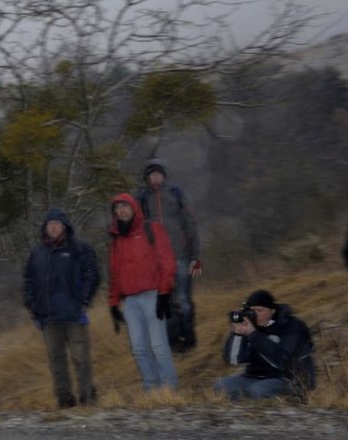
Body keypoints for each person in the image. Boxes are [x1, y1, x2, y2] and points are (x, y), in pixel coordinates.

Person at [23, 207, 101, 408]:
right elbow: (28, 281)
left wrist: (84, 299)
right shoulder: (37, 253)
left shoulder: (78, 248)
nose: (54, 227)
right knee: (56, 361)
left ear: (65, 226)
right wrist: (31, 304)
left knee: (80, 357)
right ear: (45, 228)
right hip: (48, 316)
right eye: (50, 224)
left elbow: (92, 274)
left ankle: (87, 397)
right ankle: (64, 399)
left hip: (74, 314)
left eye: (58, 223)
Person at [107, 192, 178, 391]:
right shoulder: (117, 238)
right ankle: (151, 390)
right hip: (130, 302)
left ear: (133, 208)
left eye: (125, 206)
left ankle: (168, 391)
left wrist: (164, 293)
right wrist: (113, 303)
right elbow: (115, 272)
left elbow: (168, 262)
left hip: (152, 296)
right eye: (117, 208)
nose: (121, 210)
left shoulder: (151, 228)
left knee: (159, 347)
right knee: (139, 349)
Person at [136, 159, 202, 352]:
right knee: (166, 301)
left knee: (182, 300)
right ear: (147, 178)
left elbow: (192, 225)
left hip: (181, 256)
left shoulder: (177, 193)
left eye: (158, 174)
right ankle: (174, 343)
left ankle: (189, 338)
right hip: (156, 261)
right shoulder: (141, 199)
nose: (155, 177)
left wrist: (196, 256)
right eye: (151, 175)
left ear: (164, 175)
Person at [214, 290, 316, 401]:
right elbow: (233, 360)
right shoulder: (251, 326)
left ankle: (280, 407)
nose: (255, 315)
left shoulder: (293, 326)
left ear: (272, 310)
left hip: (289, 379)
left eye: (259, 310)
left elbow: (283, 361)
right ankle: (241, 413)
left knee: (258, 390)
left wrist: (253, 335)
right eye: (252, 311)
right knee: (222, 385)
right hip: (255, 377)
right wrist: (237, 333)